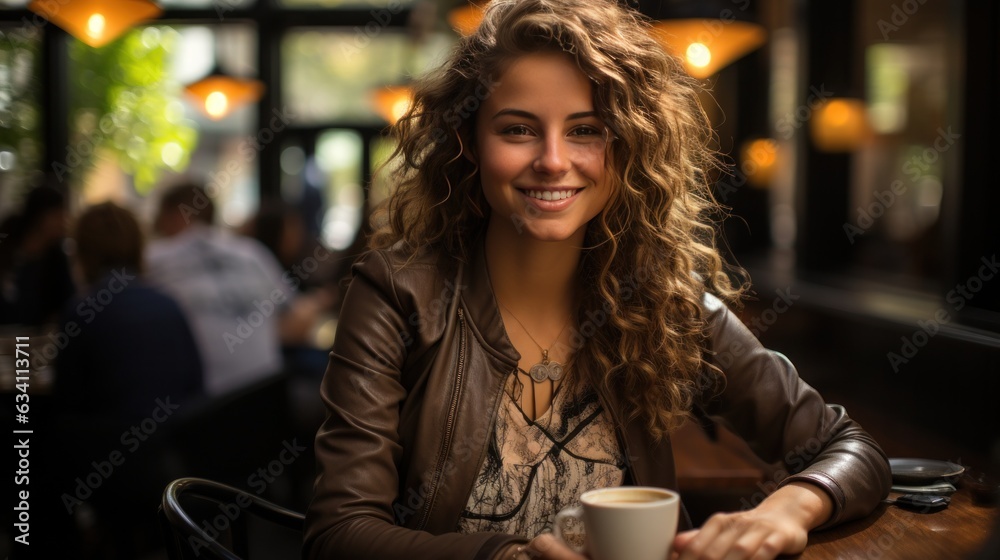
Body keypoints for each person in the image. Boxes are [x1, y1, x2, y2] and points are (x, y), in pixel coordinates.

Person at [304, 1, 891, 559]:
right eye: (517, 129)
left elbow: (850, 449)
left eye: (586, 130)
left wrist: (787, 508)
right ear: (468, 142)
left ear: (625, 146)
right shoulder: (396, 292)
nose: (554, 160)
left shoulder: (665, 300)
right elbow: (340, 535)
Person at [46, 202, 203, 557]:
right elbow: (196, 383)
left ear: (82, 252)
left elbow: (66, 402)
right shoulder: (168, 303)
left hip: (111, 468)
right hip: (177, 462)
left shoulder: (80, 309)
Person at [146, 182, 296, 396]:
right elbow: (294, 322)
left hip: (195, 406)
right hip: (266, 398)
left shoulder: (151, 259)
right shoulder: (253, 253)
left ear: (174, 215)